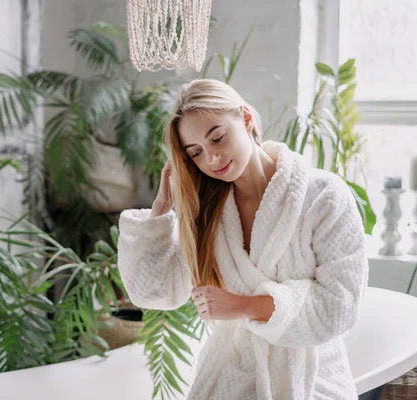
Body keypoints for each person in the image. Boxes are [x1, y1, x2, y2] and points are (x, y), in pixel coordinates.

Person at [117, 79, 368, 399]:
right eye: (196, 153)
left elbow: (338, 307)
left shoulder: (323, 197)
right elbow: (154, 293)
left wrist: (243, 306)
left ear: (246, 118)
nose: (211, 159)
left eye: (217, 137)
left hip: (312, 379)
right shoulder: (208, 215)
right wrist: (160, 211)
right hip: (233, 377)